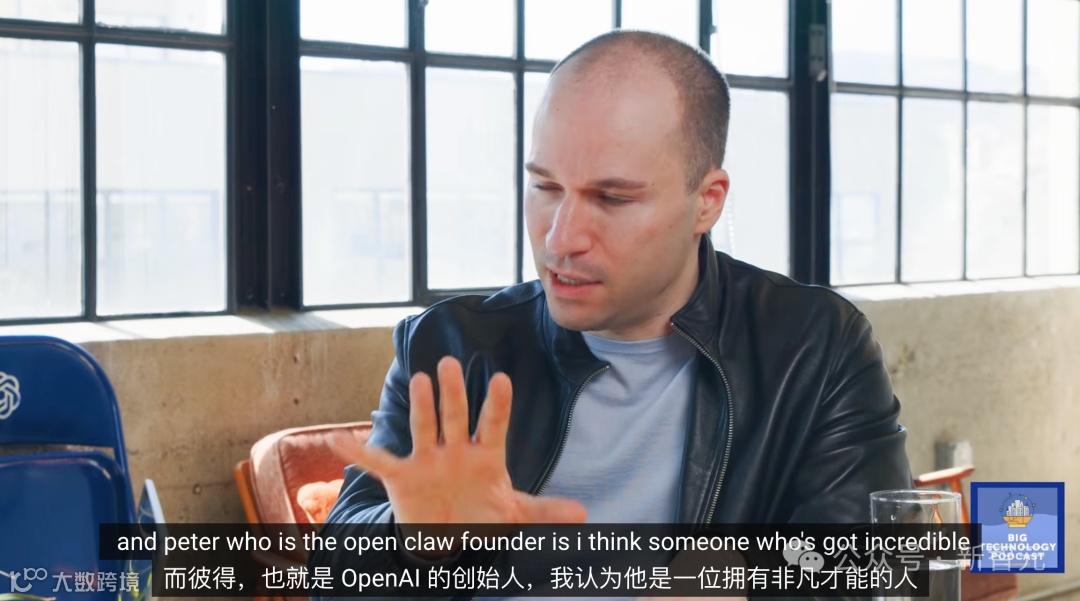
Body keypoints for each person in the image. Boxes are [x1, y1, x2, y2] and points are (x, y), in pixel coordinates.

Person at [310, 29, 912, 598]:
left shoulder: (815, 345)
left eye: (612, 198)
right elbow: (332, 574)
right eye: (546, 188)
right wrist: (414, 541)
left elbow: (873, 568)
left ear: (707, 202)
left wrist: (734, 578)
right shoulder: (452, 345)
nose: (561, 239)